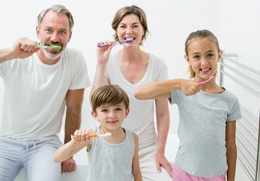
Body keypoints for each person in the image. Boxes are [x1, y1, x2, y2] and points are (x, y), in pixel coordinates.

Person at [134, 29, 242, 181]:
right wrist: (179, 83)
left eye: (210, 54)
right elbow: (139, 93)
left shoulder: (230, 101)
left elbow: (231, 147)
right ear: (187, 59)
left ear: (219, 55)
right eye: (197, 56)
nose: (204, 62)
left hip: (215, 175)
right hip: (183, 173)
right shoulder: (181, 91)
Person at [0, 4, 90, 181]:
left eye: (62, 32)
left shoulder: (75, 60)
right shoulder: (14, 56)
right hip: (6, 142)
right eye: (49, 30)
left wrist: (68, 152)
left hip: (45, 145)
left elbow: (73, 109)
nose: (54, 38)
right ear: (37, 32)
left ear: (69, 36)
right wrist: (11, 53)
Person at [91, 5, 172, 180]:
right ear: (116, 31)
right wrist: (100, 63)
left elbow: (163, 113)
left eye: (135, 25)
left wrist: (160, 152)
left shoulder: (157, 66)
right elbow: (96, 104)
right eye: (123, 26)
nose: (129, 31)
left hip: (146, 149)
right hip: (113, 146)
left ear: (143, 30)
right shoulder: (108, 63)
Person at [54, 84, 142, 181]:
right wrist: (74, 142)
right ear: (95, 115)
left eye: (118, 109)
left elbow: (136, 172)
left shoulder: (133, 138)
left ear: (126, 112)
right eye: (105, 110)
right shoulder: (91, 137)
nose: (112, 115)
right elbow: (57, 158)